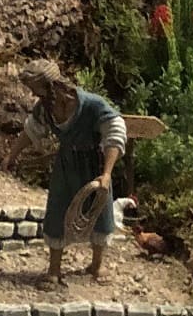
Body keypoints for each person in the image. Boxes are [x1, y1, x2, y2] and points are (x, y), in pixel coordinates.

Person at [18, 60, 127, 283]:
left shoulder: (92, 105)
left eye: (36, 88)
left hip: (94, 165)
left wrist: (107, 173)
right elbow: (30, 132)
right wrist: (11, 157)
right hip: (65, 165)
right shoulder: (45, 108)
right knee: (57, 211)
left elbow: (114, 132)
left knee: (100, 211)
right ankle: (54, 269)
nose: (34, 94)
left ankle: (97, 265)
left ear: (50, 85)